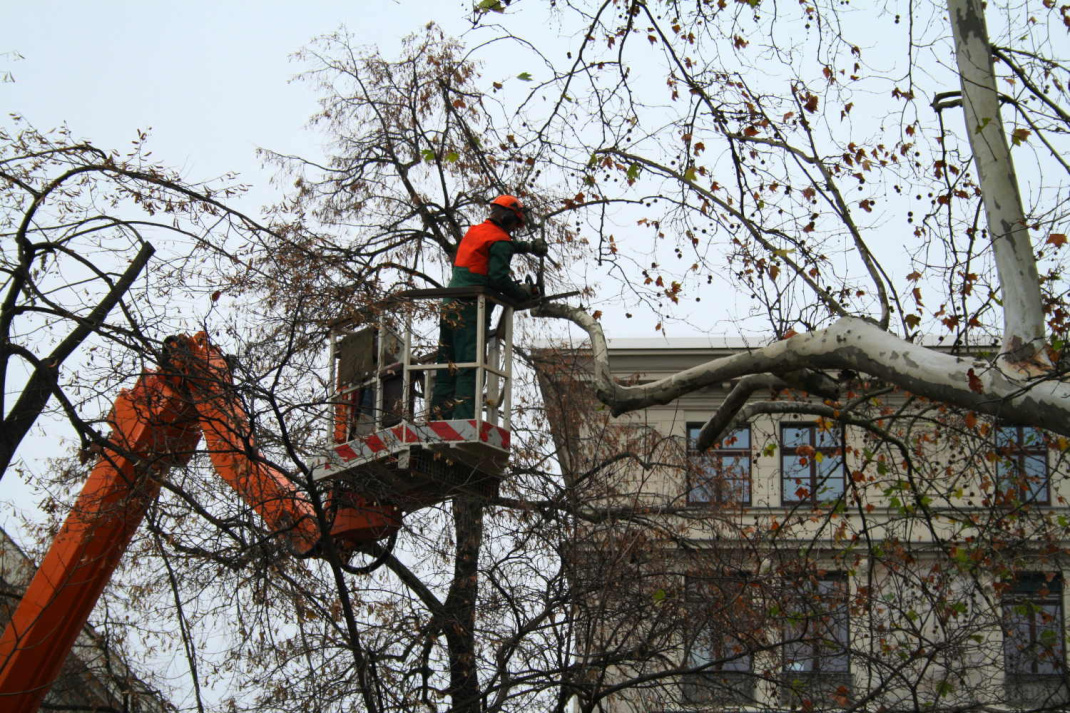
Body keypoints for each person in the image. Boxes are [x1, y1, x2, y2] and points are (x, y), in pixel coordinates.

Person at [430, 195, 548, 420]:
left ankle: (438, 420)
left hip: (450, 305)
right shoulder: (500, 240)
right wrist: (520, 293)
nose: (514, 230)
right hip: (471, 309)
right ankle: (464, 421)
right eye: (514, 224)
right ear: (507, 217)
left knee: (447, 364)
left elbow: (505, 245)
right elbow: (497, 278)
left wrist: (530, 247)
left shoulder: (476, 231)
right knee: (470, 366)